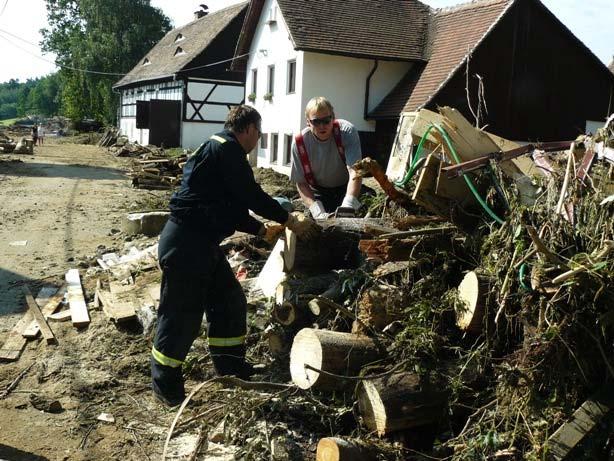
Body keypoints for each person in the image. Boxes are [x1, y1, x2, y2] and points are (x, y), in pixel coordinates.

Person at [151, 105, 318, 406]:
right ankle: (166, 387)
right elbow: (251, 195)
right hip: (187, 244)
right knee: (180, 317)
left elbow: (228, 208)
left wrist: (259, 229)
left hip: (201, 244)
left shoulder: (218, 149)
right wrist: (287, 218)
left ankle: (230, 366)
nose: (259, 139)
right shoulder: (228, 151)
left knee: (229, 301)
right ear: (250, 129)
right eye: (259, 133)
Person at [290, 97, 363, 218]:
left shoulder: (346, 132)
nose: (322, 126)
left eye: (326, 120)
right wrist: (316, 210)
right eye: (316, 122)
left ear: (333, 118)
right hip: (318, 192)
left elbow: (355, 171)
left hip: (347, 187)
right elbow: (301, 183)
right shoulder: (300, 143)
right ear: (308, 122)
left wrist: (348, 205)